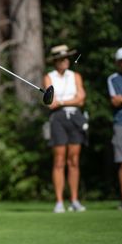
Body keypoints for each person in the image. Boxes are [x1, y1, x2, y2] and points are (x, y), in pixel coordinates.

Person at [44, 45, 87, 213]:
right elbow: (50, 103)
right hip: (58, 119)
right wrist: (70, 100)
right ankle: (59, 201)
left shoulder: (76, 76)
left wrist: (62, 102)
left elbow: (81, 100)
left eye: (67, 58)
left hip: (75, 118)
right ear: (55, 61)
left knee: (74, 161)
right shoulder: (49, 77)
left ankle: (74, 200)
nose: (65, 61)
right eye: (62, 59)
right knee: (59, 161)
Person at [107, 47, 122, 210]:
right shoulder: (113, 79)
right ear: (118, 62)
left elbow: (120, 100)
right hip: (121, 123)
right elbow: (115, 101)